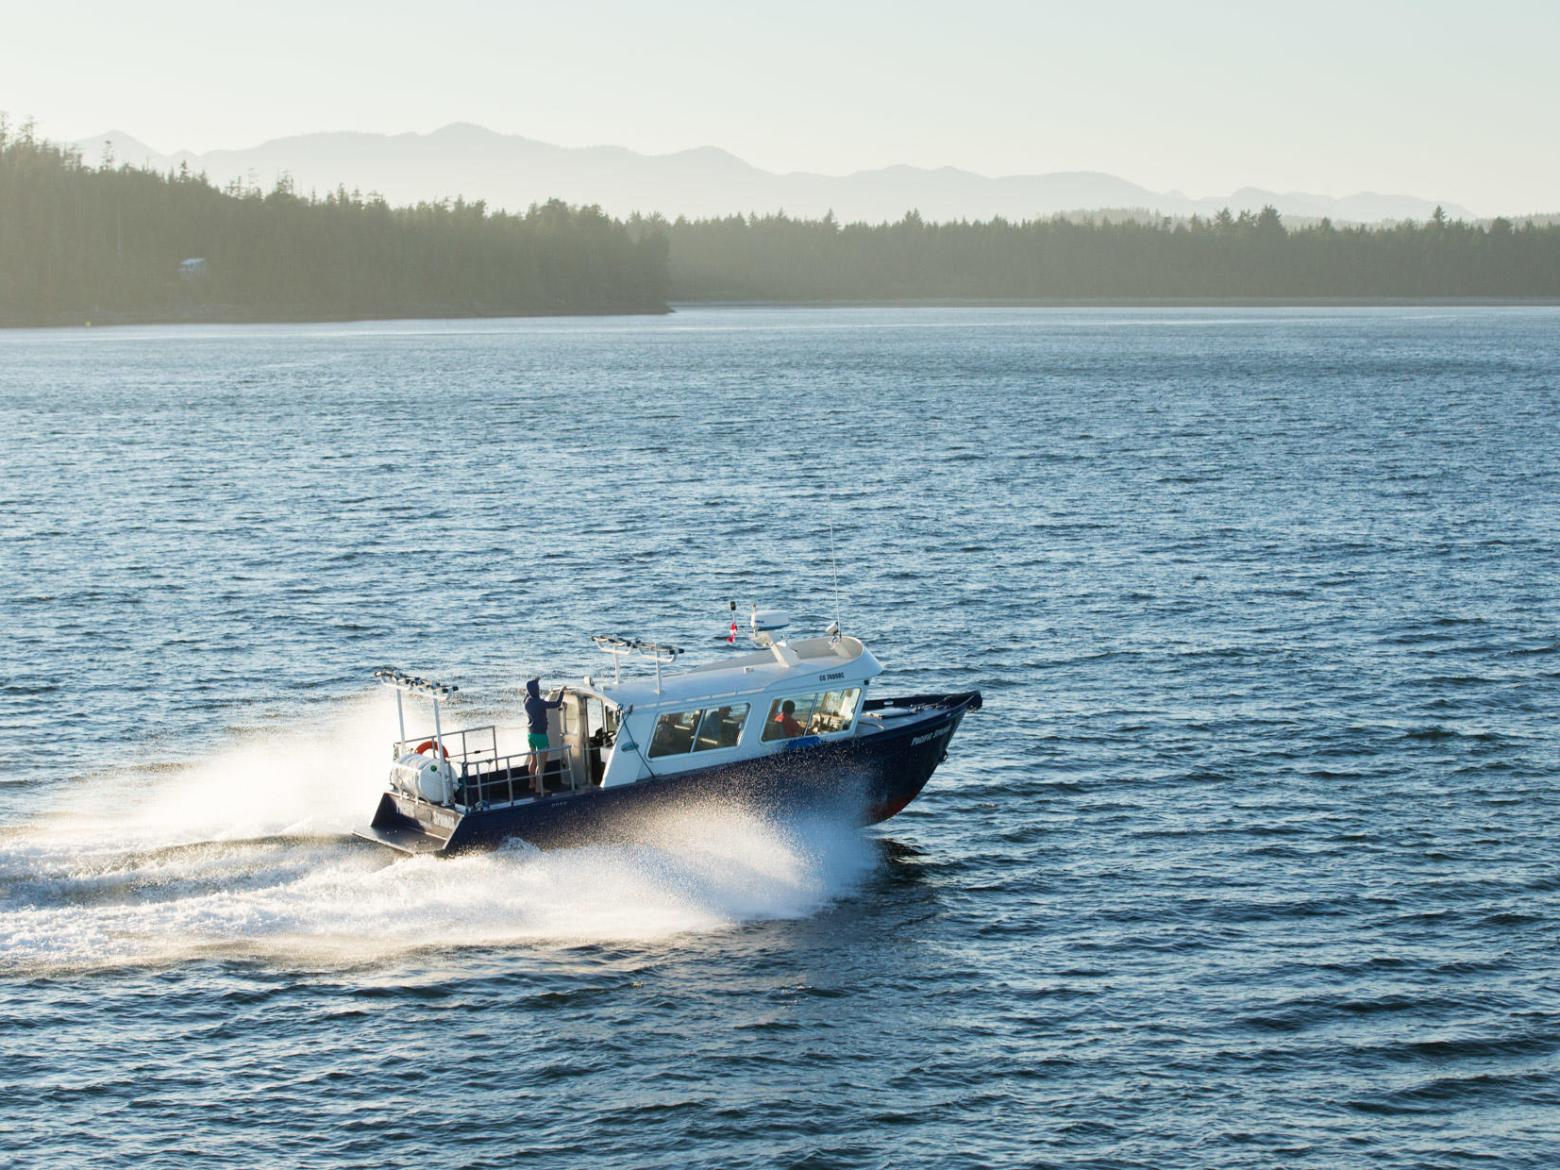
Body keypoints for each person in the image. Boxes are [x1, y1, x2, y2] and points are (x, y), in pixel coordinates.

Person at [525, 678, 565, 779]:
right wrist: (562, 692)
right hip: (540, 736)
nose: (539, 689)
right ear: (536, 690)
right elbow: (556, 704)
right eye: (538, 688)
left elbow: (529, 691)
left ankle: (532, 784)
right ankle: (539, 788)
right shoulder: (540, 703)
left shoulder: (527, 702)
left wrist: (535, 681)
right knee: (541, 764)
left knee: (533, 761)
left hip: (531, 735)